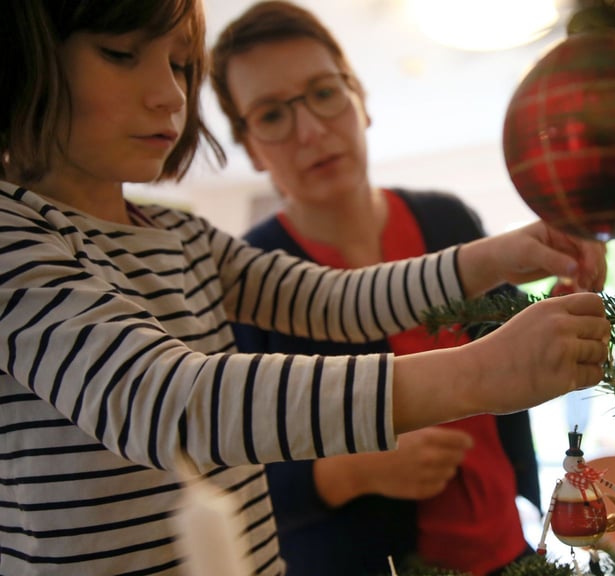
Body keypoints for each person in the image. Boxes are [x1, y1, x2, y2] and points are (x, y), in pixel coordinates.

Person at [0, 2, 611, 575]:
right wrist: (479, 374)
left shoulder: (182, 235)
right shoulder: (15, 238)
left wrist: (503, 253)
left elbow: (333, 301)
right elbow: (164, 400)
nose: (170, 95)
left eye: (180, 65)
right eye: (120, 53)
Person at [208, 3, 594, 575]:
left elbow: (516, 359)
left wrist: (564, 295)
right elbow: (224, 472)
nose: (311, 130)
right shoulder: (247, 279)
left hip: (509, 548)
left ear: (358, 98)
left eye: (323, 93)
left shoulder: (449, 221)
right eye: (271, 115)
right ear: (249, 146)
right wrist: (348, 471)